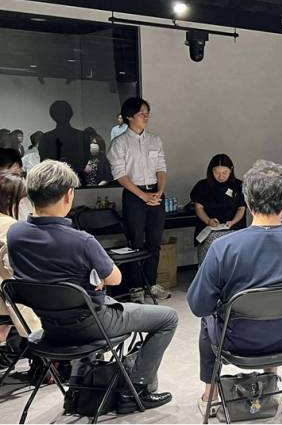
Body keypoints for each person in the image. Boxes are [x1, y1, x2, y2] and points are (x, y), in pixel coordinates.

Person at [6, 160, 177, 412]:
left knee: (87, 302)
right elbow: (115, 278)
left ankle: (78, 387)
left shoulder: (15, 235)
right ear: (69, 195)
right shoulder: (81, 240)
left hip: (49, 328)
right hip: (92, 324)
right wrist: (93, 279)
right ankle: (136, 390)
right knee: (168, 317)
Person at [187, 160, 282, 417]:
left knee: (208, 319)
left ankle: (210, 394)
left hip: (236, 343)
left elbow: (198, 305)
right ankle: (270, 379)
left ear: (248, 202)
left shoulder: (223, 247)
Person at [107, 97, 170, 301]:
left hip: (155, 192)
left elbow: (161, 167)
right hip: (134, 195)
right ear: (129, 116)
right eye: (141, 113)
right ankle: (136, 287)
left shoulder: (155, 140)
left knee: (154, 241)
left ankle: (152, 283)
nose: (146, 116)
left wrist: (159, 192)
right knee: (135, 242)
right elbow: (120, 175)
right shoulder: (119, 143)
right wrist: (143, 196)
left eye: (147, 113)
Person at [0, 173, 42, 377]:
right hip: (7, 298)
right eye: (24, 199)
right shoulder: (11, 228)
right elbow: (16, 270)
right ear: (12, 200)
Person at [189, 154, 247, 264]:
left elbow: (241, 208)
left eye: (224, 172)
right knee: (213, 242)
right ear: (211, 171)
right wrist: (208, 221)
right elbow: (199, 208)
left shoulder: (239, 186)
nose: (221, 176)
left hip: (234, 227)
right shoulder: (202, 186)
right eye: (217, 172)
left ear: (231, 170)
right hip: (209, 228)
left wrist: (233, 222)